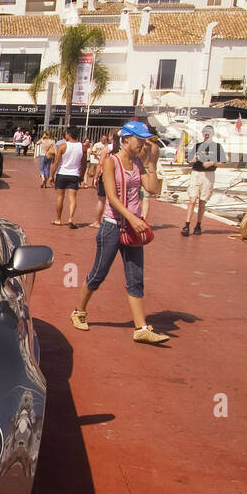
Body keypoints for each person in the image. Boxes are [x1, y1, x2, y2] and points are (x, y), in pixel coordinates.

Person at [71, 120, 169, 345]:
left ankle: (141, 328)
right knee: (99, 273)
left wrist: (151, 163)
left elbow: (153, 189)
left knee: (136, 278)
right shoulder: (111, 162)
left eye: (145, 142)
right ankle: (79, 311)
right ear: (126, 140)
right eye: (139, 141)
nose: (142, 145)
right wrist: (133, 218)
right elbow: (112, 198)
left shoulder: (139, 163)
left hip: (133, 228)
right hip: (112, 226)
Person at [182, 124, 225, 235]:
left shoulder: (217, 147)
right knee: (192, 200)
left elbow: (223, 162)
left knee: (202, 201)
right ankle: (187, 225)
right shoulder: (197, 146)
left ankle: (198, 225)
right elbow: (189, 161)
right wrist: (194, 159)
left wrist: (212, 162)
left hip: (209, 174)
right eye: (205, 132)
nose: (206, 135)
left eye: (209, 133)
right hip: (196, 173)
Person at [51, 127, 85, 227]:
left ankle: (58, 219)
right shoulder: (82, 147)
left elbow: (56, 162)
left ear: (69, 134)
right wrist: (82, 176)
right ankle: (70, 219)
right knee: (72, 198)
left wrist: (51, 175)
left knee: (60, 197)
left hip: (62, 173)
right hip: (74, 174)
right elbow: (83, 164)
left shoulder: (62, 146)